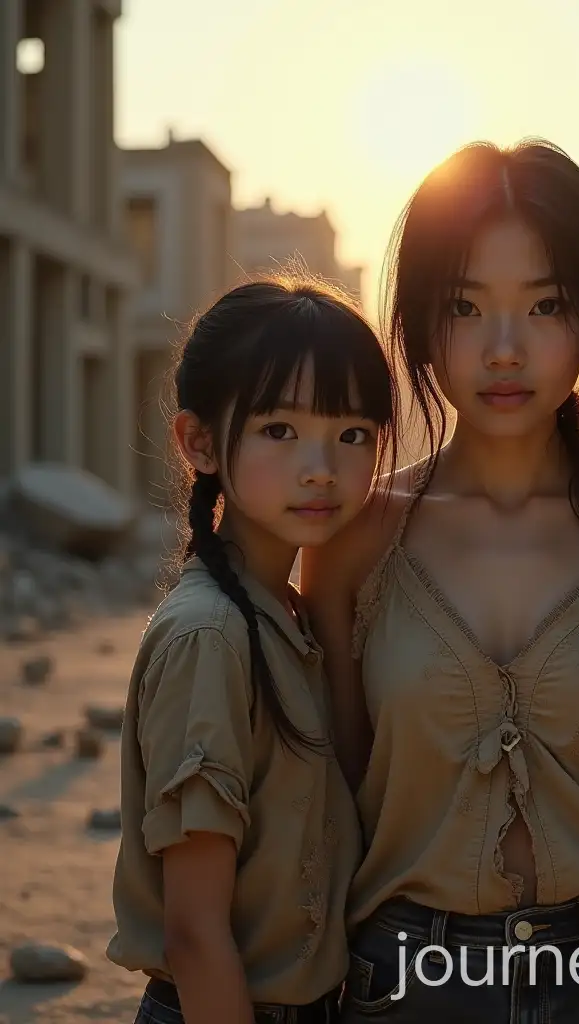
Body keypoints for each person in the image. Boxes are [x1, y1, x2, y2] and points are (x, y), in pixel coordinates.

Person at [301, 139, 579, 1023]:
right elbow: (330, 804)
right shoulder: (355, 542)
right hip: (407, 981)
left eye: (546, 303)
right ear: (415, 323)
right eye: (466, 306)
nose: (506, 349)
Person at [107, 275, 397, 1024]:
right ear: (199, 442)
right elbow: (196, 932)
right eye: (279, 430)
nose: (321, 468)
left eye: (353, 435)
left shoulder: (286, 616)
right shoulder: (213, 636)